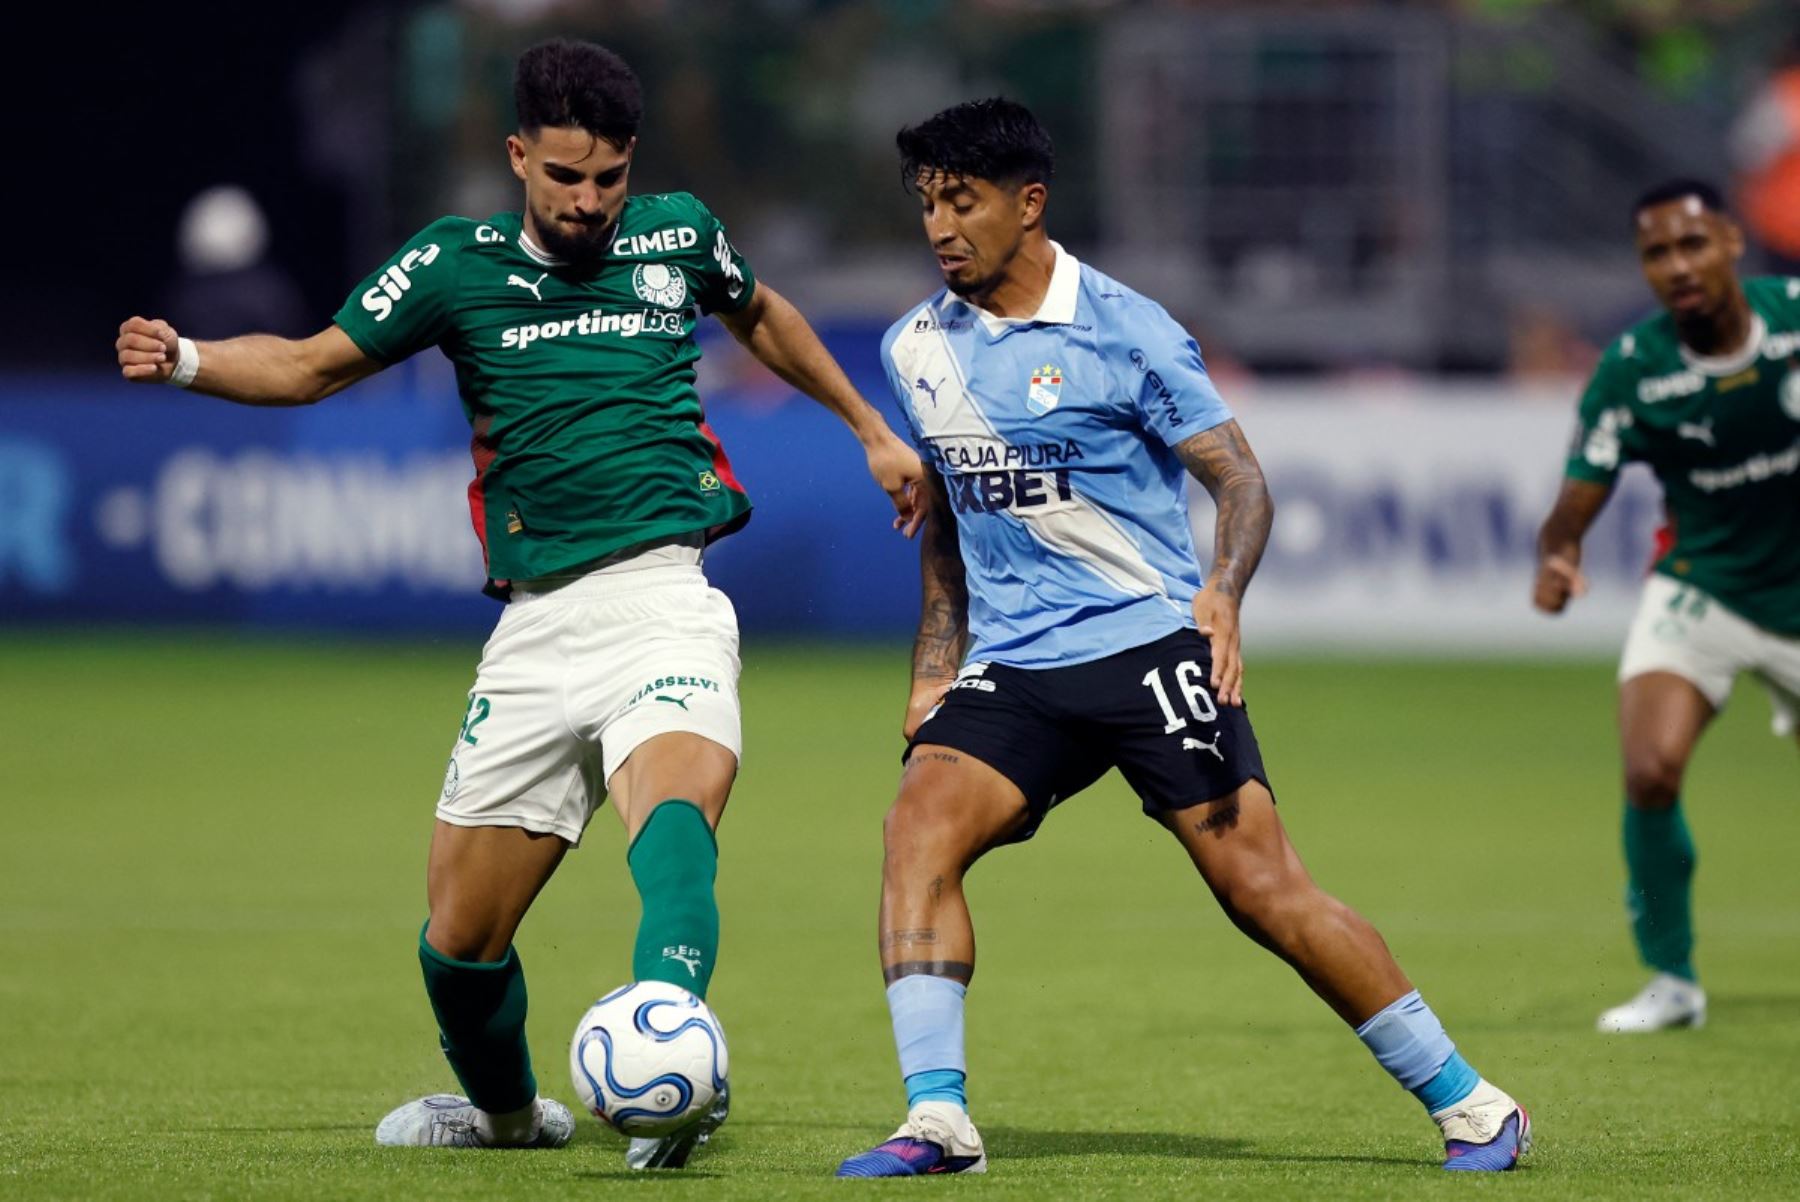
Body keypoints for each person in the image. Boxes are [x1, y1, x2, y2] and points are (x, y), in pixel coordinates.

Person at [114, 39, 924, 1167]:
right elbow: (308, 366)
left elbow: (765, 313)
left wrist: (873, 428)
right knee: (458, 942)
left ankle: (673, 1063)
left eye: (606, 178)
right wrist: (190, 357)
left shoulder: (678, 232)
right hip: (536, 629)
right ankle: (506, 1118)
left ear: (631, 163)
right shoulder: (455, 263)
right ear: (516, 158)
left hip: (663, 597)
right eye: (562, 177)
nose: (588, 201)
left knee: (677, 825)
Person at [834, 98, 1529, 1178]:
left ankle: (1474, 1102)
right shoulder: (915, 346)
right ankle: (939, 1120)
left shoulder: (1128, 327)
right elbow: (950, 532)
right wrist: (934, 668)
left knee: (1263, 891)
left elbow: (1239, 478)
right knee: (914, 833)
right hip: (1014, 667)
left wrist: (1224, 593)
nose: (939, 226)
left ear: (1030, 203)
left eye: (961, 200)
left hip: (1150, 644)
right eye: (926, 202)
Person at [1533, 178, 1800, 1034]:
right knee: (1649, 770)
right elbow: (1575, 503)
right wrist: (1558, 558)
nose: (1676, 267)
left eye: (1691, 244)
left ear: (1729, 240)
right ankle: (1673, 980)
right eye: (1657, 253)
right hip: (1704, 588)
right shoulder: (1633, 371)